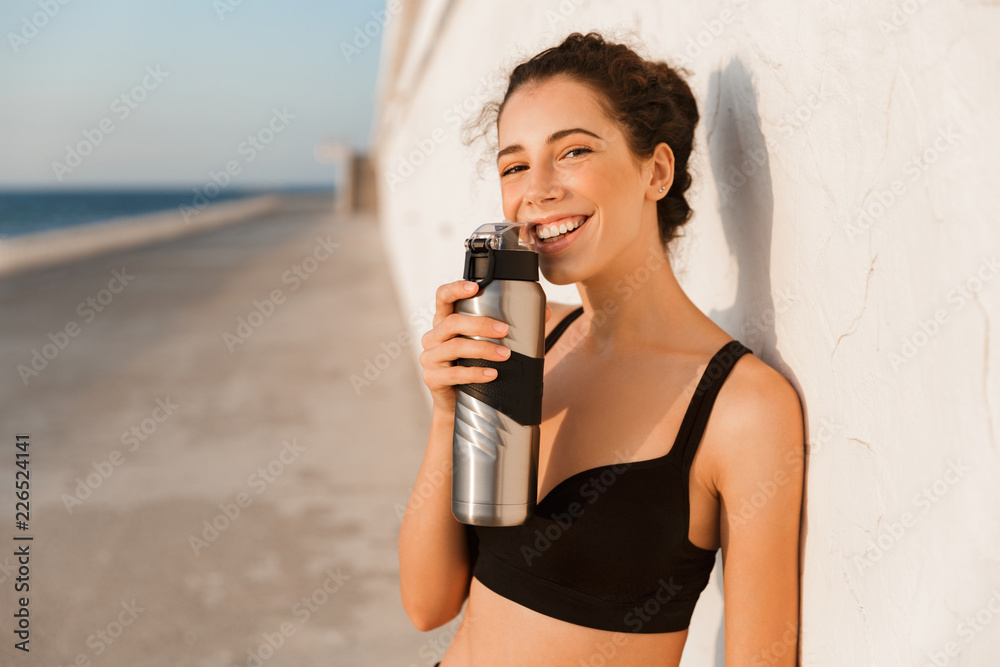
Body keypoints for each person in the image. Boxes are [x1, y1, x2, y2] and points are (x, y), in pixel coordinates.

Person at [399, 32, 804, 666]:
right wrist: (449, 410)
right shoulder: (525, 340)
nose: (536, 189)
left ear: (656, 170)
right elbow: (427, 605)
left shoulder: (742, 409)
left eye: (574, 151)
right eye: (513, 165)